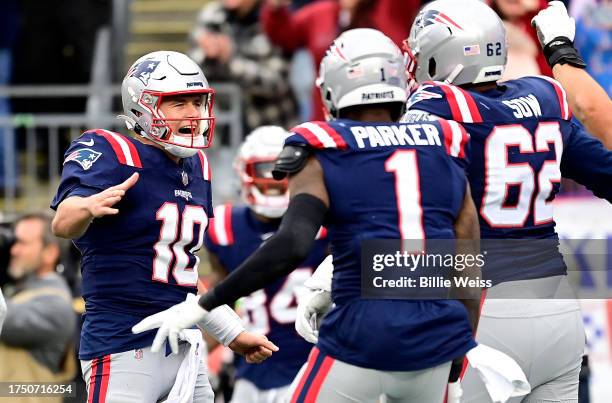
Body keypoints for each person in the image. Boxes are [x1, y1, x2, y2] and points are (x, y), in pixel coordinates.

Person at [134, 28, 483, 403]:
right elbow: (466, 261)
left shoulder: (323, 144)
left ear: (333, 85)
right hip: (435, 337)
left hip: (360, 335)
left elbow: (292, 244)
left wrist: (207, 302)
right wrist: (461, 344)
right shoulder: (444, 140)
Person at [300, 1, 612, 401]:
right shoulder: (544, 98)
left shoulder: (436, 111)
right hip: (559, 312)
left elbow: (396, 207)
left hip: (484, 313)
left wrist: (332, 275)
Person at [50, 50, 277, 403]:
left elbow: (182, 277)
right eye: (178, 103)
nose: (193, 113)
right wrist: (88, 206)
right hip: (124, 346)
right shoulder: (112, 151)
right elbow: (63, 222)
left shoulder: (198, 166)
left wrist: (233, 334)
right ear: (143, 107)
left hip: (184, 348)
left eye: (197, 102)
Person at [204, 125, 329, 402]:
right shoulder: (224, 228)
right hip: (252, 366)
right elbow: (224, 295)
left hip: (311, 361)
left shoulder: (325, 228)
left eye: (282, 170)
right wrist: (202, 346)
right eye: (264, 170)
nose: (273, 180)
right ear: (244, 172)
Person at [261, 0, 419, 121]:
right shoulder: (320, 13)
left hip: (389, 117)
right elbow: (284, 35)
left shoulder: (394, 7)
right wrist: (276, 9)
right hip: (330, 119)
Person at [190, 0, 298, 136]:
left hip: (271, 129)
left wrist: (230, 62)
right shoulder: (212, 15)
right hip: (223, 131)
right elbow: (192, 68)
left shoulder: (274, 17)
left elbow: (278, 82)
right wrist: (208, 56)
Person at [0, 213, 75, 403]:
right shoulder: (15, 291)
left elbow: (5, 318)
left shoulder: (55, 303)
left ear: (50, 252)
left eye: (22, 243)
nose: (14, 250)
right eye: (13, 243)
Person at [531, 0, 612, 148]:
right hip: (578, 98)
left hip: (584, 101)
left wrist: (558, 48)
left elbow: (591, 110)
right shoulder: (581, 6)